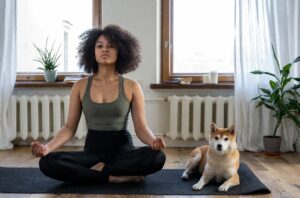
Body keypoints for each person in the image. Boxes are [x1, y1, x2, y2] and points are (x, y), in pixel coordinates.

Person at [31, 25, 166, 184]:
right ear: (92, 51)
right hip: (92, 154)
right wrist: (47, 148)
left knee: (157, 157)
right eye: (99, 46)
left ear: (121, 51)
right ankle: (112, 177)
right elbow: (69, 128)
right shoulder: (80, 86)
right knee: (47, 162)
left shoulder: (132, 86)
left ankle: (94, 174)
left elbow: (141, 128)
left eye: (111, 46)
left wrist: (153, 142)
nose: (105, 49)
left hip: (122, 152)